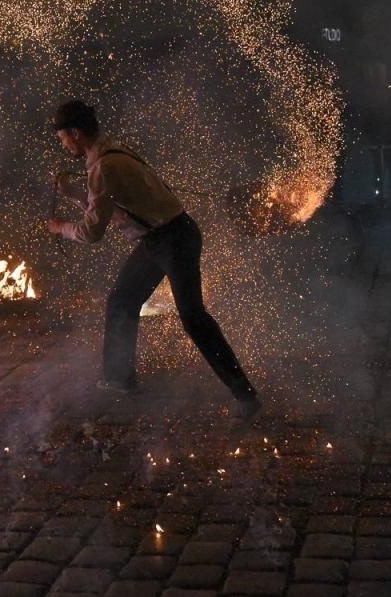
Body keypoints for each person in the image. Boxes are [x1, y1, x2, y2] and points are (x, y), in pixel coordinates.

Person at [46, 99, 261, 419]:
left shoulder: (104, 166)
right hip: (157, 240)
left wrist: (59, 228)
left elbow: (93, 232)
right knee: (122, 301)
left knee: (193, 318)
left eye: (62, 137)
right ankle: (120, 380)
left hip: (173, 240)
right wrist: (75, 193)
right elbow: (109, 209)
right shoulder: (109, 155)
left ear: (75, 133)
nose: (62, 144)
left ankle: (245, 395)